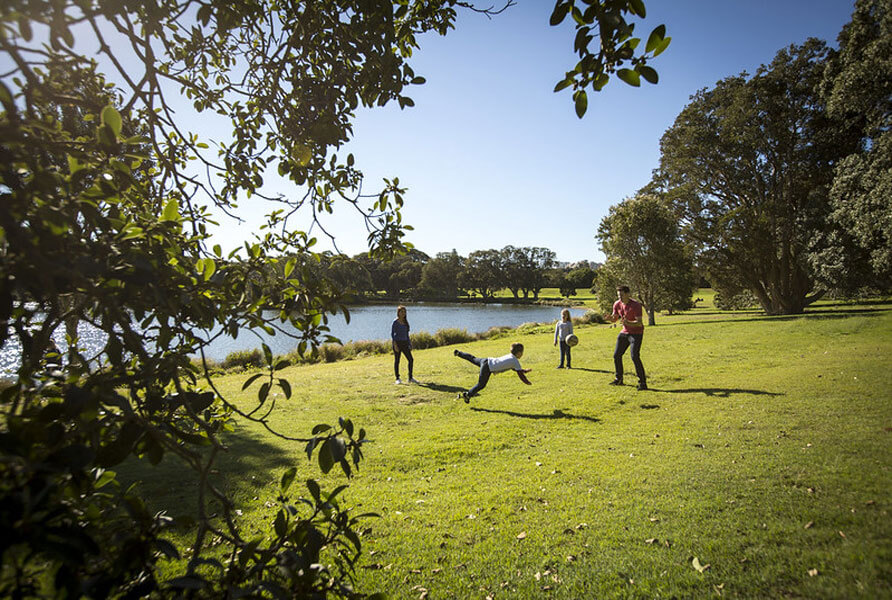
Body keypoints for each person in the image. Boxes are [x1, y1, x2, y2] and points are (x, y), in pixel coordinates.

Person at [453, 342, 532, 403]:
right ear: (518, 353)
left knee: (473, 358)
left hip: (486, 360)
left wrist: (524, 371)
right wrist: (527, 382)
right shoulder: (515, 361)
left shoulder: (511, 356)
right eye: (522, 353)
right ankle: (467, 395)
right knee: (481, 385)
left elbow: (514, 368)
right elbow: (520, 375)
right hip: (487, 368)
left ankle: (459, 353)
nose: (522, 354)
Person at [604, 285, 647, 390]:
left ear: (628, 294)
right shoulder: (617, 304)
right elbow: (615, 319)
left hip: (636, 333)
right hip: (624, 332)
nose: (620, 298)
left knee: (634, 356)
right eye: (618, 295)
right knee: (616, 355)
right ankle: (619, 379)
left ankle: (642, 383)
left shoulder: (636, 305)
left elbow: (639, 323)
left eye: (622, 295)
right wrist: (610, 319)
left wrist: (628, 322)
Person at [391, 305, 418, 384]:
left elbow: (407, 334)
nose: (403, 313)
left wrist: (409, 343)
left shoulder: (406, 323)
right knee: (397, 361)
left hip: (405, 343)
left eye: (404, 312)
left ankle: (410, 377)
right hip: (397, 343)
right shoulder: (395, 322)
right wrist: (395, 344)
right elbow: (393, 334)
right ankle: (397, 378)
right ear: (398, 313)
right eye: (401, 312)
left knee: (410, 359)